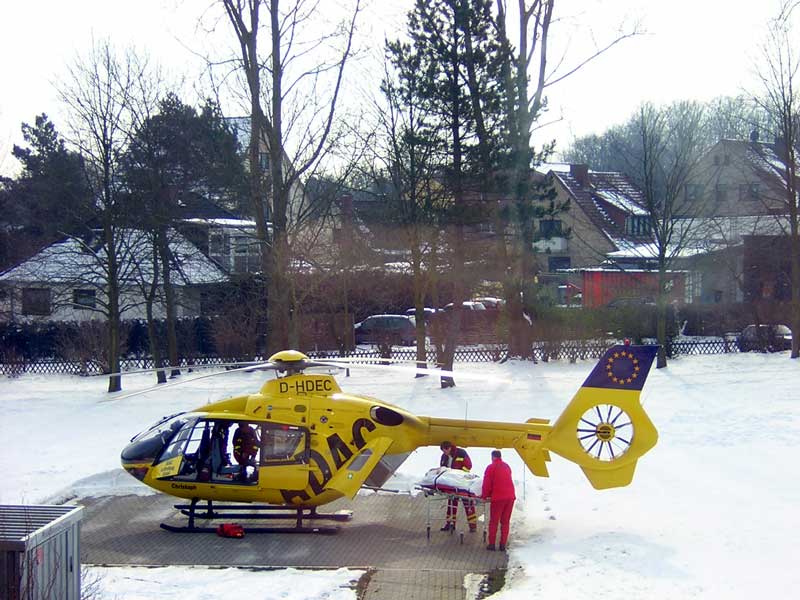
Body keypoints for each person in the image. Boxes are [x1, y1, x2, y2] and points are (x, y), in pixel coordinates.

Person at [481, 449, 516, 551]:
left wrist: (484, 496)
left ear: (492, 457)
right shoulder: (507, 466)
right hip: (510, 497)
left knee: (494, 522)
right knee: (505, 522)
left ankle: (492, 544)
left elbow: (487, 484)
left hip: (498, 498)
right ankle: (502, 545)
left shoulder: (491, 467)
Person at [439, 441, 477, 532]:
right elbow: (443, 467)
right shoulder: (444, 456)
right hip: (451, 483)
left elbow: (468, 466)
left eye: (445, 451)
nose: (444, 453)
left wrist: (459, 473)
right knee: (451, 504)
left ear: (449, 448)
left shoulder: (461, 453)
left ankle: (472, 525)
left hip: (462, 482)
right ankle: (450, 524)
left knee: (468, 503)